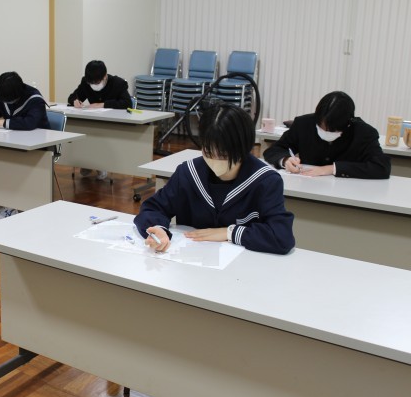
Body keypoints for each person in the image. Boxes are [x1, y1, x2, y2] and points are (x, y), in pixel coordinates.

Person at [134, 103, 295, 255]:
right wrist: (158, 229)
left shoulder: (265, 181)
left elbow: (281, 236)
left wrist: (229, 232)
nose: (215, 160)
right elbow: (153, 208)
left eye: (223, 155)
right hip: (192, 259)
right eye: (209, 152)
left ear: (244, 148)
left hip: (242, 265)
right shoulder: (189, 173)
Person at [0, 71, 49, 219]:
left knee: (9, 162)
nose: (5, 102)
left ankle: (11, 206)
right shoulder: (6, 96)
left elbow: (30, 122)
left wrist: (1, 122)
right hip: (13, 142)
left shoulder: (35, 99)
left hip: (36, 148)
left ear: (17, 93)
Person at [263, 91, 391, 179]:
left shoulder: (364, 133)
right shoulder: (303, 123)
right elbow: (274, 150)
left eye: (332, 130)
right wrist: (285, 160)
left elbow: (381, 167)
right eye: (320, 126)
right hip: (307, 185)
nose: (325, 131)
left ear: (348, 123)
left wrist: (331, 169)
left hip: (347, 192)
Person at [67, 60, 132, 180]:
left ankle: (100, 164)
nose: (93, 85)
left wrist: (103, 104)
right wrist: (75, 101)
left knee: (99, 135)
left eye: (96, 82)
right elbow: (72, 96)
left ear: (105, 76)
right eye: (91, 82)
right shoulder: (86, 82)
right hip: (94, 122)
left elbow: (127, 103)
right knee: (85, 132)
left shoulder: (118, 83)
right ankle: (88, 162)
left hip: (114, 124)